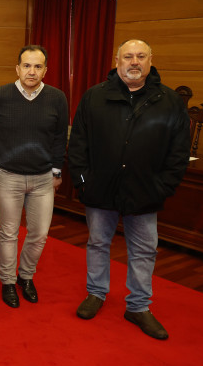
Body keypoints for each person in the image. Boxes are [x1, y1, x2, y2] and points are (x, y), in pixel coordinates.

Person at [69, 39, 190, 340]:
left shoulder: (170, 101)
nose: (134, 62)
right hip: (100, 191)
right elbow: (78, 145)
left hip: (145, 192)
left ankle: (138, 306)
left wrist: (163, 187)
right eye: (128, 56)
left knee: (144, 250)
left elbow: (178, 152)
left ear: (151, 60)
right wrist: (84, 184)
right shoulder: (94, 97)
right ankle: (96, 293)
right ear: (117, 60)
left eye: (140, 56)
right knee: (98, 244)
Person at [0, 45, 69, 308]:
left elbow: (59, 138)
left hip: (44, 179)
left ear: (46, 69)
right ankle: (8, 281)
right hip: (8, 176)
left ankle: (26, 277)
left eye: (38, 66)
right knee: (8, 233)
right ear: (17, 68)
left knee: (40, 234)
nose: (32, 71)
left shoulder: (57, 98)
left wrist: (57, 170)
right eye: (27, 65)